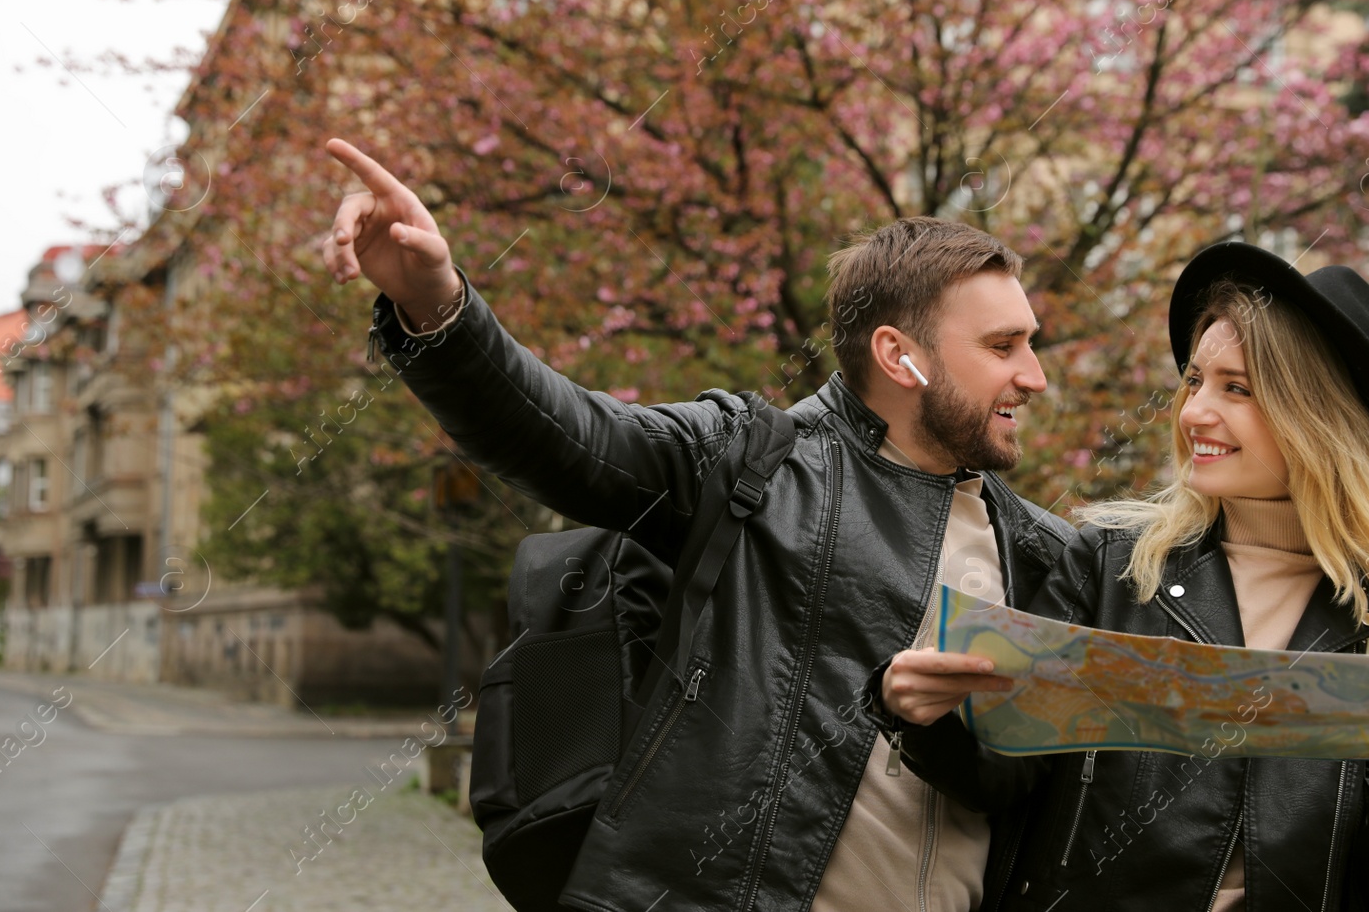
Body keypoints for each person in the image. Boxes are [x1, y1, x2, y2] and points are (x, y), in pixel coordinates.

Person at [320, 137, 1076, 912]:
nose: (1034, 375)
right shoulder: (753, 461)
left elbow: (1018, 782)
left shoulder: (1041, 556)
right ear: (899, 355)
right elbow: (567, 436)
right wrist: (440, 307)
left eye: (1031, 344)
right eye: (1002, 346)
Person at [876, 241, 1369, 912]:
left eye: (1236, 388)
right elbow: (1001, 780)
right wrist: (925, 716)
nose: (1193, 413)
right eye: (1194, 381)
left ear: (1322, 420)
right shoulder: (1111, 565)